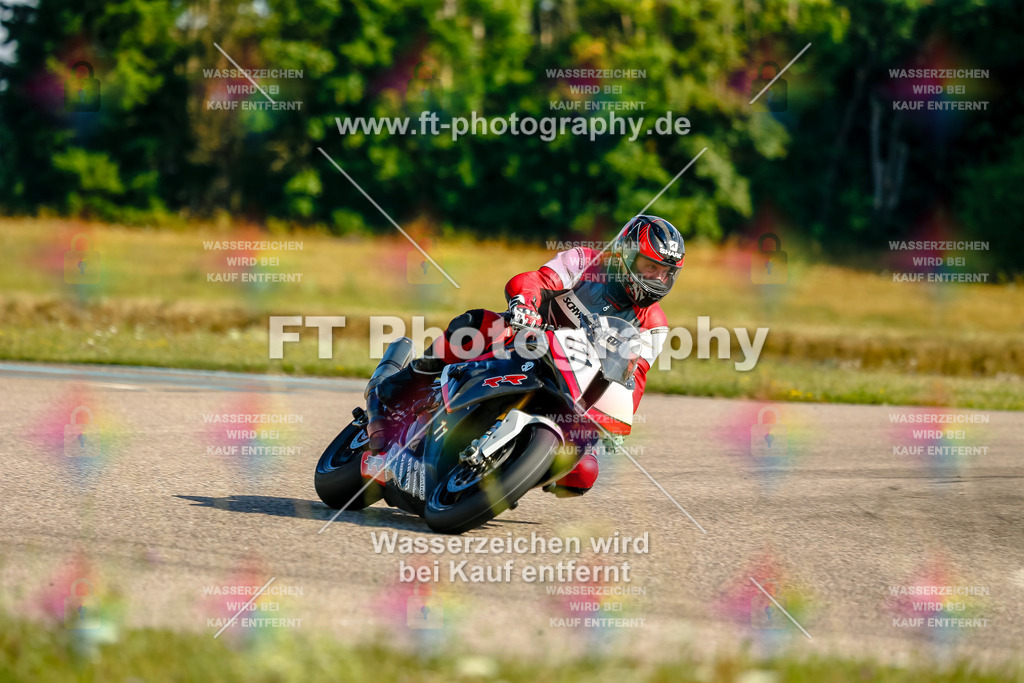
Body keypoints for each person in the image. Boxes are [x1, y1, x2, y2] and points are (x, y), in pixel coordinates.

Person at [365, 214, 684, 496]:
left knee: (582, 473)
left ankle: (505, 471)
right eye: (649, 266)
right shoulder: (586, 262)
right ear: (627, 254)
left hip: (575, 387)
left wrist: (616, 422)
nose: (657, 278)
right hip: (524, 341)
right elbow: (535, 280)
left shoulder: (655, 325)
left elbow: (634, 379)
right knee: (473, 328)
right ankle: (393, 389)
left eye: (665, 272)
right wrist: (524, 305)